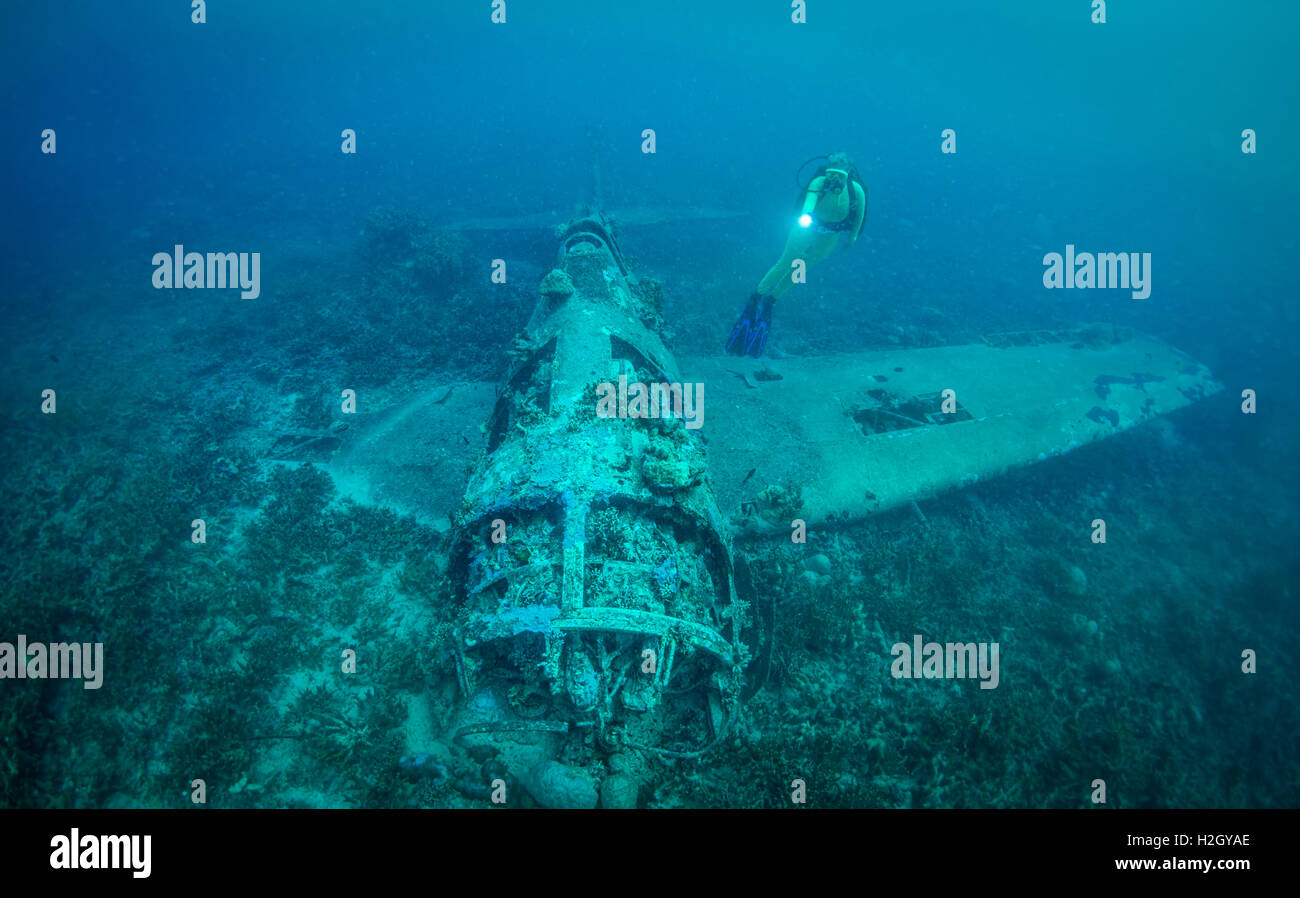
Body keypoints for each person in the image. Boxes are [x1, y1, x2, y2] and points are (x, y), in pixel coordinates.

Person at [726, 152, 868, 357]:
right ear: (827, 171)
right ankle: (757, 296)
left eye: (841, 174)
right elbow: (809, 201)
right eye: (833, 172)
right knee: (785, 263)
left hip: (831, 235)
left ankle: (771, 300)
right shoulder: (820, 182)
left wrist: (853, 237)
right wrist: (806, 214)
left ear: (848, 173)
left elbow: (860, 215)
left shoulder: (857, 191)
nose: (836, 179)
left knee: (800, 268)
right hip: (808, 229)